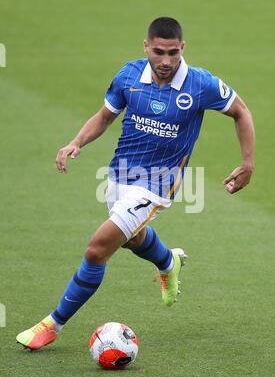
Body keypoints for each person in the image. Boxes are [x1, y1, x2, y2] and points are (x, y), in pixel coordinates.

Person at [16, 17, 255, 350]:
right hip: (119, 175)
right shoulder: (129, 75)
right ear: (147, 47)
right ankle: (168, 263)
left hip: (158, 184)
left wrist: (247, 164)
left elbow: (241, 111)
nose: (167, 61)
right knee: (132, 238)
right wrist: (76, 142)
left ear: (182, 48)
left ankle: (53, 324)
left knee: (98, 248)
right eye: (159, 52)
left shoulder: (201, 84)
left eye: (173, 52)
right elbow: (105, 115)